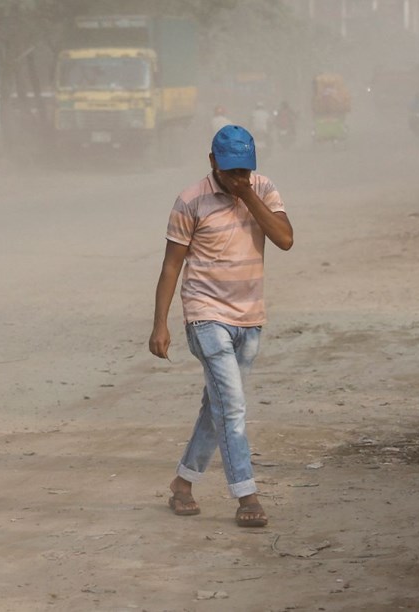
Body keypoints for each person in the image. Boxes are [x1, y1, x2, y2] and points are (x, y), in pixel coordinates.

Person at [149, 125, 294, 528]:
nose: (237, 179)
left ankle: (183, 483)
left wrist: (248, 194)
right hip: (205, 315)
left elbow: (284, 239)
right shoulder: (190, 200)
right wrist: (160, 324)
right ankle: (246, 494)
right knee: (232, 406)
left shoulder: (263, 189)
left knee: (218, 407)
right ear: (213, 162)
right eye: (231, 172)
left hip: (250, 318)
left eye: (244, 171)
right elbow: (171, 266)